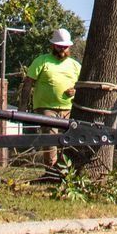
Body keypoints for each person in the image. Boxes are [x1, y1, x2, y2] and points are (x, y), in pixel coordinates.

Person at [21, 28, 80, 174]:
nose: (62, 49)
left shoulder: (75, 65)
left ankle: (64, 170)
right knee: (50, 137)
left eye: (65, 47)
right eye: (59, 46)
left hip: (68, 107)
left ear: (69, 47)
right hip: (45, 107)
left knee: (68, 139)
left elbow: (82, 85)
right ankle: (51, 170)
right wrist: (22, 106)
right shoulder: (42, 61)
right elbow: (28, 83)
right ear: (53, 45)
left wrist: (75, 91)